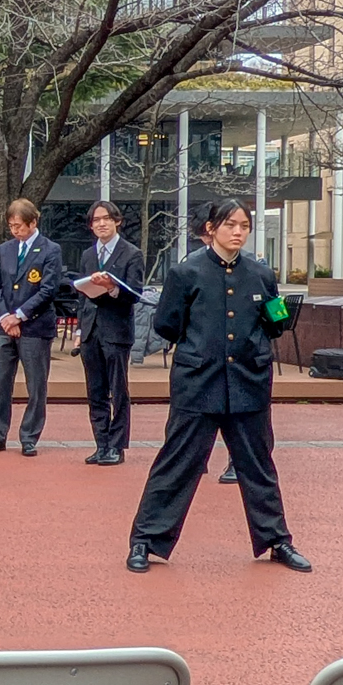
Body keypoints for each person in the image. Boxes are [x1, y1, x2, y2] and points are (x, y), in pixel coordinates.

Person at [126, 199, 310, 575]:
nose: (238, 232)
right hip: (198, 384)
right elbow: (167, 325)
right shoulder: (186, 272)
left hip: (248, 383)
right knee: (178, 464)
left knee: (257, 466)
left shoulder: (260, 273)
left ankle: (276, 540)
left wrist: (272, 319)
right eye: (230, 225)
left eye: (244, 225)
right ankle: (146, 540)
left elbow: (275, 320)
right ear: (211, 228)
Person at [0, 199, 66, 456]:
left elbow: (48, 289)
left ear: (33, 223)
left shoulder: (50, 250)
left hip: (35, 326)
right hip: (5, 325)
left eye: (19, 226)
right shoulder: (4, 250)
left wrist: (20, 316)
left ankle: (29, 436)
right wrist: (6, 316)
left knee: (36, 384)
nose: (15, 231)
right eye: (12, 226)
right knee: (0, 383)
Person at [73, 200, 146, 467]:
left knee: (118, 389)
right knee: (95, 390)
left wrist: (113, 288)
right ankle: (101, 443)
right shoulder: (88, 255)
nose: (101, 224)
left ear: (117, 221)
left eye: (106, 219)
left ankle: (117, 446)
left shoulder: (131, 254)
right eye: (96, 220)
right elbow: (82, 295)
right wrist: (80, 328)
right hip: (91, 330)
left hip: (116, 330)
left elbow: (135, 294)